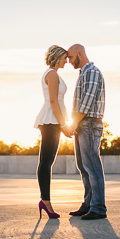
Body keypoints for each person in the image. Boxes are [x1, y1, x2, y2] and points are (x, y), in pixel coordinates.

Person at [33, 45, 74, 219]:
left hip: (52, 121)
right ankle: (46, 202)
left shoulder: (51, 74)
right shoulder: (52, 74)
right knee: (46, 162)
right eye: (65, 58)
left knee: (47, 162)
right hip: (51, 121)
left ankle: (45, 201)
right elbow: (53, 101)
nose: (67, 61)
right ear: (58, 57)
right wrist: (64, 125)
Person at [67, 44, 107, 220]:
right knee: (83, 167)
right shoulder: (83, 73)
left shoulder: (91, 72)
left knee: (92, 166)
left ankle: (98, 208)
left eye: (70, 57)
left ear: (80, 54)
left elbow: (87, 102)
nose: (68, 61)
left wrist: (74, 123)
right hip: (83, 124)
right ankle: (88, 204)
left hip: (89, 124)